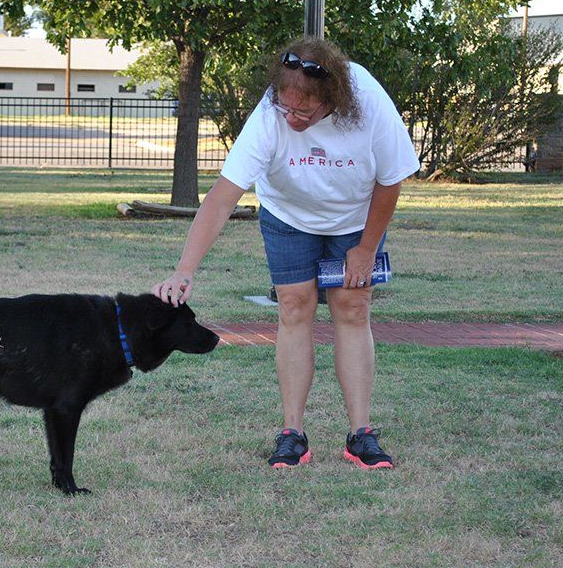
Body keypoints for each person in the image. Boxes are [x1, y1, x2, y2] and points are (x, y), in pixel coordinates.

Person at [152, 37, 419, 470]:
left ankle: (361, 435)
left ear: (333, 98)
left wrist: (366, 249)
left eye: (304, 112)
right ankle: (292, 433)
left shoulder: (368, 103)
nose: (291, 118)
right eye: (285, 107)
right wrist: (185, 270)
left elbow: (391, 181)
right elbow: (222, 198)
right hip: (288, 216)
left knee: (352, 309)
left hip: (355, 219)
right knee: (294, 307)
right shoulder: (269, 115)